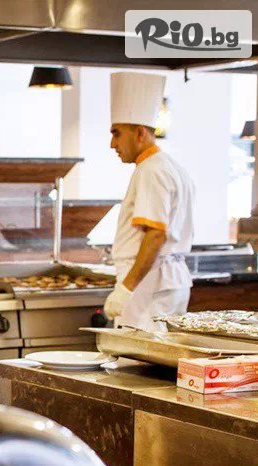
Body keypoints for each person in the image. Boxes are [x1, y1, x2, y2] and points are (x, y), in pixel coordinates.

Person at [104, 72, 195, 331]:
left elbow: (155, 234)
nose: (112, 144)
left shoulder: (151, 170)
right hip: (167, 281)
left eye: (117, 134)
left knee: (138, 354)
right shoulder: (171, 167)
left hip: (148, 286)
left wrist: (126, 288)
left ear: (140, 133)